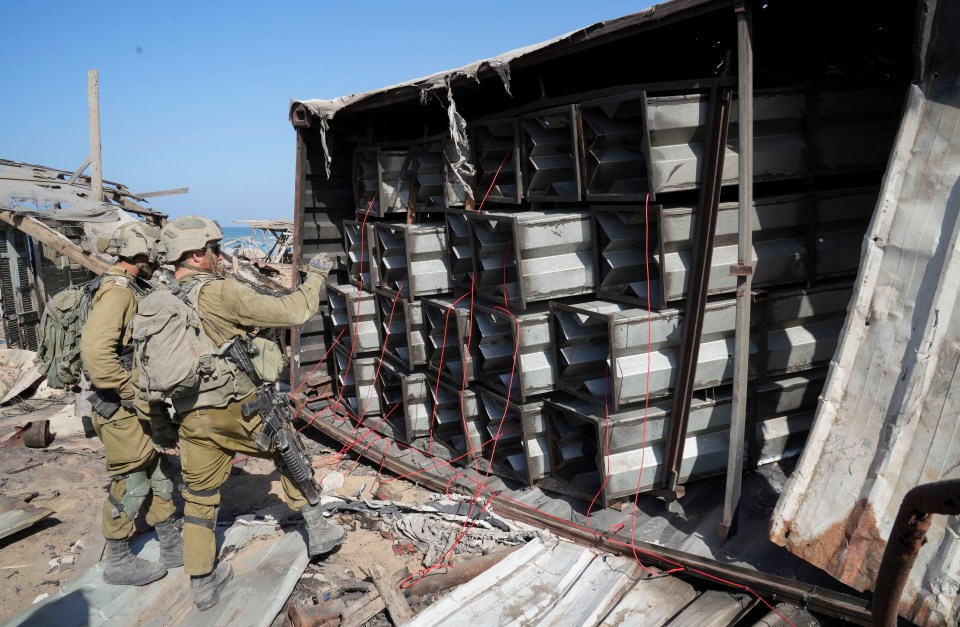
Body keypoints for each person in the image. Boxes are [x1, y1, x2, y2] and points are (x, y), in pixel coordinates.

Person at [156, 216, 345, 611]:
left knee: (200, 498)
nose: (219, 255)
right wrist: (316, 275)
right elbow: (294, 312)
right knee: (288, 452)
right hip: (237, 408)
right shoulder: (220, 293)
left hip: (192, 415)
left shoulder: (162, 300)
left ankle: (203, 584)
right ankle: (319, 529)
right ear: (195, 255)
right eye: (213, 249)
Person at [79, 220, 183, 586]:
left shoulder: (128, 286)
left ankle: (171, 542)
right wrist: (130, 391)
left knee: (159, 473)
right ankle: (118, 559)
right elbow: (96, 354)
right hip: (120, 407)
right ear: (142, 252)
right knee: (133, 480)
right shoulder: (118, 292)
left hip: (135, 406)